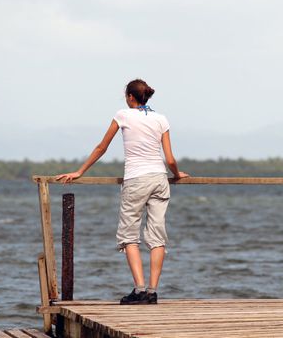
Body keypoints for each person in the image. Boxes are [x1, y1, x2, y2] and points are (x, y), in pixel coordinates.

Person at [56, 79, 189, 305]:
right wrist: (176, 174)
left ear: (130, 97)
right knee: (157, 237)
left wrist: (80, 171)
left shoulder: (123, 115)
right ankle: (152, 292)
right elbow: (169, 159)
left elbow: (102, 147)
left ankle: (138, 290)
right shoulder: (161, 119)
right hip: (159, 179)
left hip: (136, 180)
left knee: (129, 235)